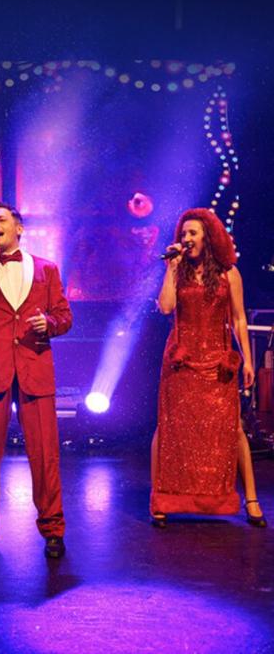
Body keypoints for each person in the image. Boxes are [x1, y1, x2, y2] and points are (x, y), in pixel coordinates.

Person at [0, 201, 73, 558]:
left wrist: (48, 324)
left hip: (34, 364)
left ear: (18, 228)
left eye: (1, 220)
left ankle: (53, 530)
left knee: (45, 453)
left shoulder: (46, 269)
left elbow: (64, 316)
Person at [150, 207, 266, 528]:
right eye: (183, 234)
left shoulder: (230, 273)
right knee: (168, 426)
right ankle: (160, 499)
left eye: (193, 233)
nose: (186, 239)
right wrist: (171, 269)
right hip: (182, 360)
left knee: (233, 428)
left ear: (207, 237)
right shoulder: (179, 270)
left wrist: (247, 360)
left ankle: (252, 500)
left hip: (217, 360)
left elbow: (240, 318)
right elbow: (166, 307)